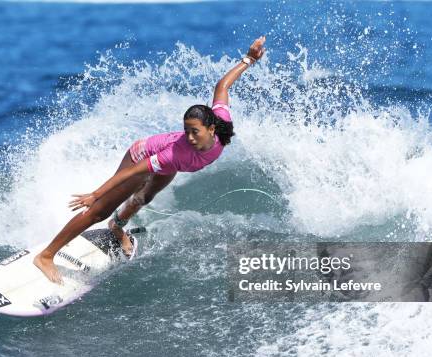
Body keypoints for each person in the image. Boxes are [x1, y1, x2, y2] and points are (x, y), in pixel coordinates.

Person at [34, 36, 267, 284]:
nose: (189, 136)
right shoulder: (176, 152)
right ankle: (46, 255)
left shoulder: (222, 121)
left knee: (144, 198)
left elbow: (222, 86)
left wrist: (249, 59)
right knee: (98, 212)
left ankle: (117, 227)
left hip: (171, 165)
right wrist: (96, 194)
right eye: (185, 130)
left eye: (194, 131)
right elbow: (132, 172)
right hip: (142, 156)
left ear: (211, 128)